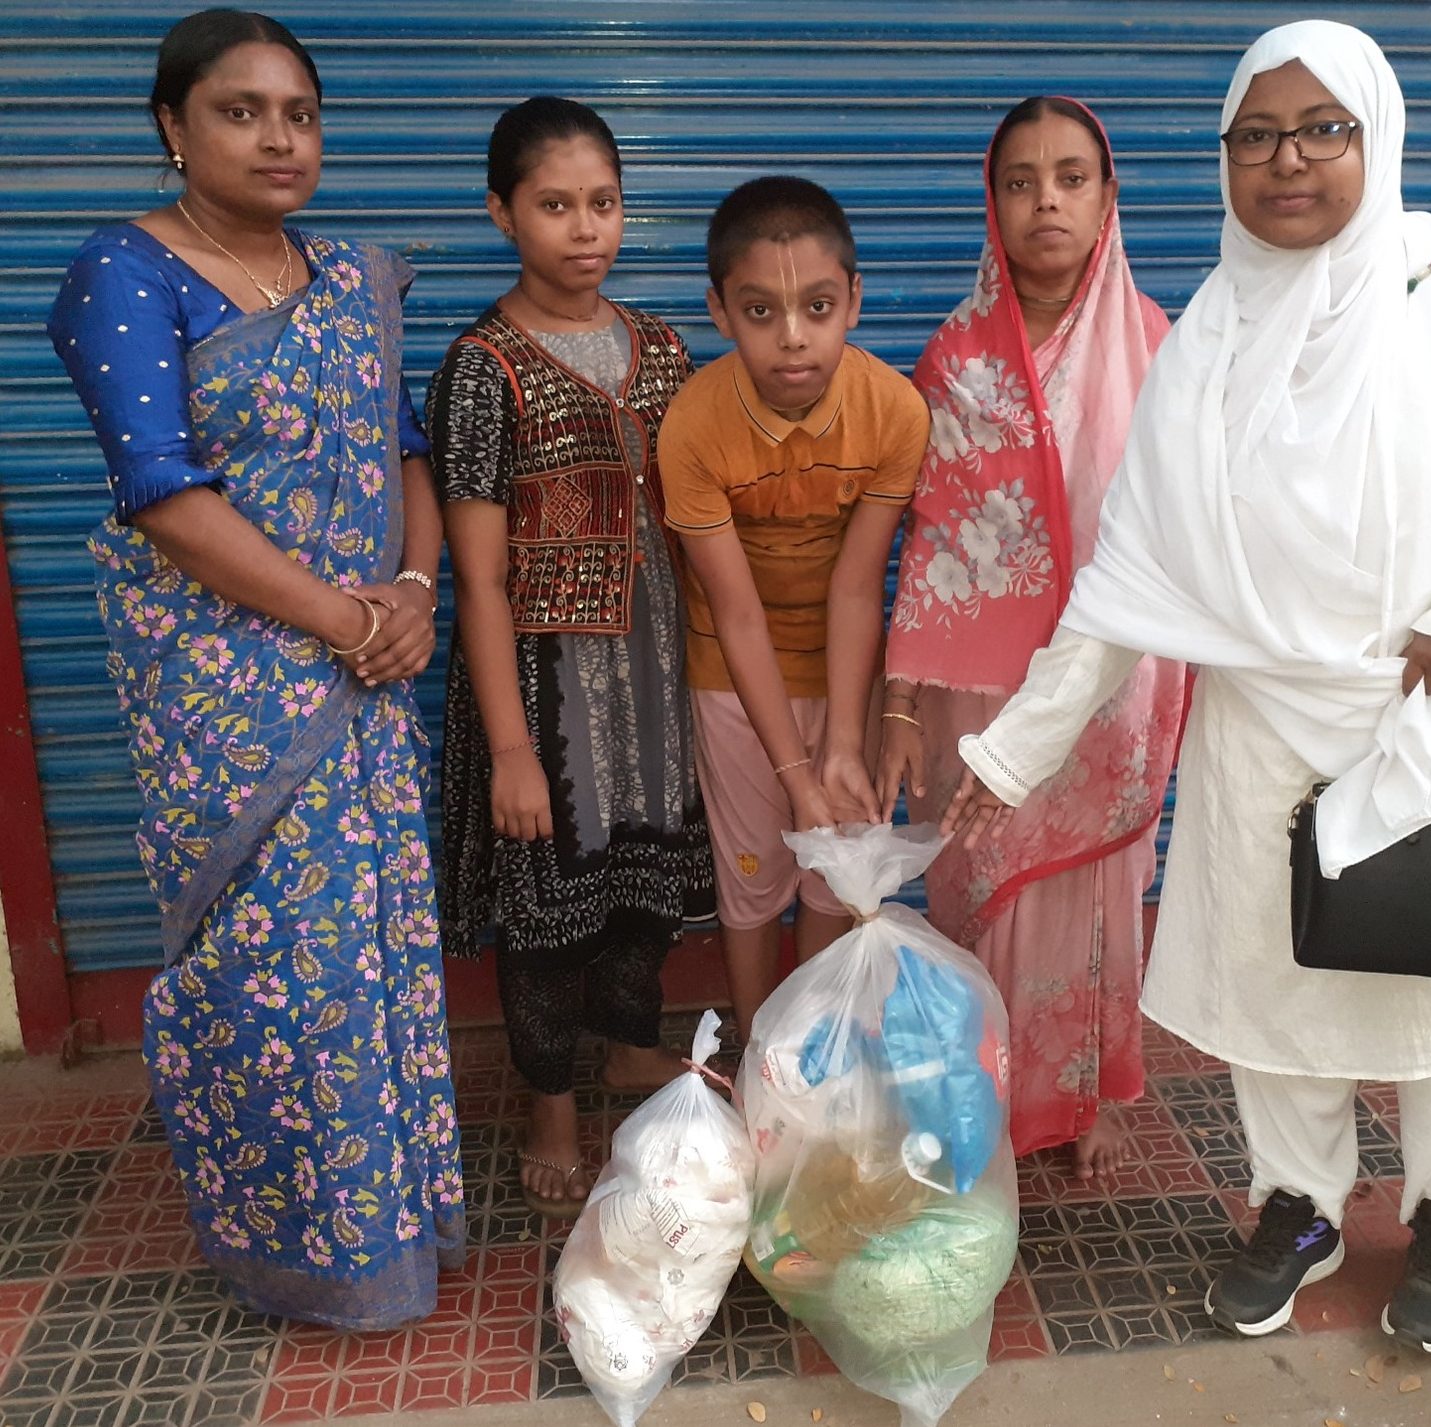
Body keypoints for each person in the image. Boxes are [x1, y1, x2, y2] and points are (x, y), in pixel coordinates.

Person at [943, 20, 1431, 1355]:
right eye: (1255, 135)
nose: (1286, 161)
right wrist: (1009, 752)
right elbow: (1127, 572)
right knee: (1273, 972)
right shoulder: (1208, 338)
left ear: (1376, 138)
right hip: (1269, 715)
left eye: (1323, 130)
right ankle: (1298, 1200)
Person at [46, 8, 464, 1328]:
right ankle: (303, 1246)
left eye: (300, 114)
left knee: (371, 948)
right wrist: (344, 619)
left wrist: (414, 590)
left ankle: (395, 1226)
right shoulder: (125, 272)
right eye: (242, 111)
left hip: (364, 673)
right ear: (172, 127)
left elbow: (405, 452)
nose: (281, 138)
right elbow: (163, 492)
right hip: (228, 696)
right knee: (272, 967)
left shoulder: (346, 281)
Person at [878, 97, 1187, 1183]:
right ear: (993, 203)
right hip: (982, 689)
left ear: (1107, 197)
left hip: (1111, 679)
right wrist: (901, 702)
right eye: (1020, 181)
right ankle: (987, 1090)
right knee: (983, 886)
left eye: (1069, 177)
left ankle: (1087, 1093)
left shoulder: (1159, 345)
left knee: (1100, 896)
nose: (1045, 201)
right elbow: (932, 537)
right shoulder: (956, 358)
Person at [428, 97, 715, 1219]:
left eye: (603, 202)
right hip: (544, 693)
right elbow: (478, 578)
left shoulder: (665, 348)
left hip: (656, 675)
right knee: (547, 906)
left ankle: (628, 1046)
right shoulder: (482, 369)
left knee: (646, 881)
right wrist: (510, 748)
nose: (585, 227)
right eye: (554, 204)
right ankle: (549, 1102)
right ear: (501, 213)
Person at [658, 176, 930, 1039]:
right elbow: (735, 613)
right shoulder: (693, 425)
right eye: (759, 311)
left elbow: (857, 584)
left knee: (829, 874)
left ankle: (807, 1046)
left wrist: (842, 746)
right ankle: (755, 1047)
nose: (792, 337)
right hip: (730, 674)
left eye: (817, 306)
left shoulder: (894, 411)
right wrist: (794, 774)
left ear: (853, 299)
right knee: (750, 882)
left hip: (844, 667)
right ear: (719, 311)